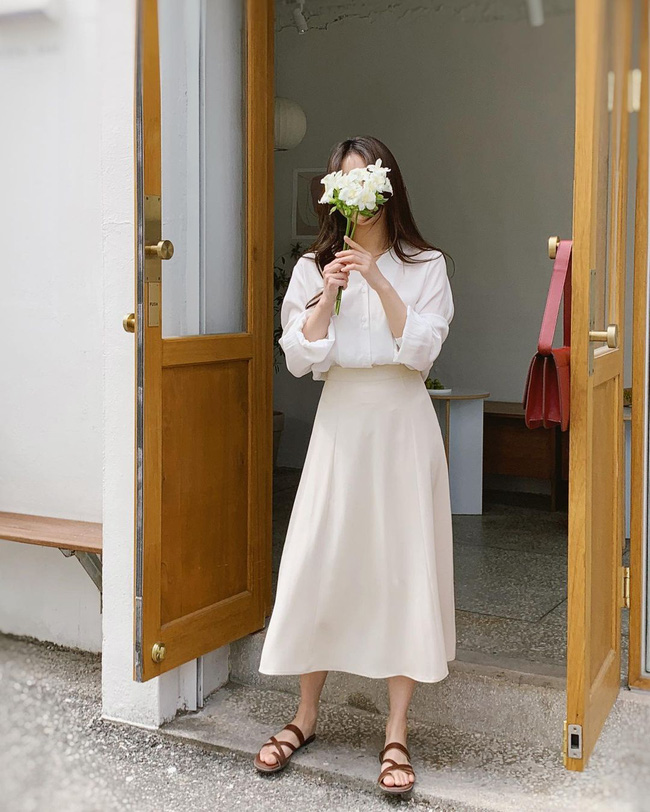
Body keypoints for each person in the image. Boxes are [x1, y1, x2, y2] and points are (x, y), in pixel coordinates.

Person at [254, 135, 456, 796]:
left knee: (402, 564)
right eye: (343, 180)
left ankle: (396, 731)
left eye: (364, 178)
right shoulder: (314, 268)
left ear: (387, 186)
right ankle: (305, 714)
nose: (356, 192)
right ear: (333, 193)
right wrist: (329, 293)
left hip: (401, 421)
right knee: (322, 555)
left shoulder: (425, 264)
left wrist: (377, 277)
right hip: (340, 421)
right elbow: (299, 356)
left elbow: (421, 350)